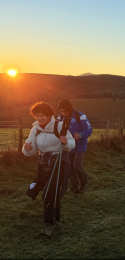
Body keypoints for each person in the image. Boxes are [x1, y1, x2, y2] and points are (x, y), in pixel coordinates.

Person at [22, 102, 75, 236]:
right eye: (37, 115)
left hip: (60, 164)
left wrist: (65, 142)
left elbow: (71, 143)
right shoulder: (36, 129)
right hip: (44, 165)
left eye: (43, 115)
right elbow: (31, 146)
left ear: (50, 115)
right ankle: (56, 218)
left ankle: (48, 225)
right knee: (53, 192)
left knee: (48, 194)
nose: (40, 118)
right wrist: (27, 149)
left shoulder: (59, 125)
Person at [57, 99, 92, 195]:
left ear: (69, 108)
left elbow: (89, 129)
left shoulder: (80, 116)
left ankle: (84, 184)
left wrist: (80, 135)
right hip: (67, 147)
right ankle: (74, 186)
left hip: (79, 147)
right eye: (61, 111)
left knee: (77, 167)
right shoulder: (60, 118)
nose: (63, 113)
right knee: (69, 168)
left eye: (65, 110)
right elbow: (55, 130)